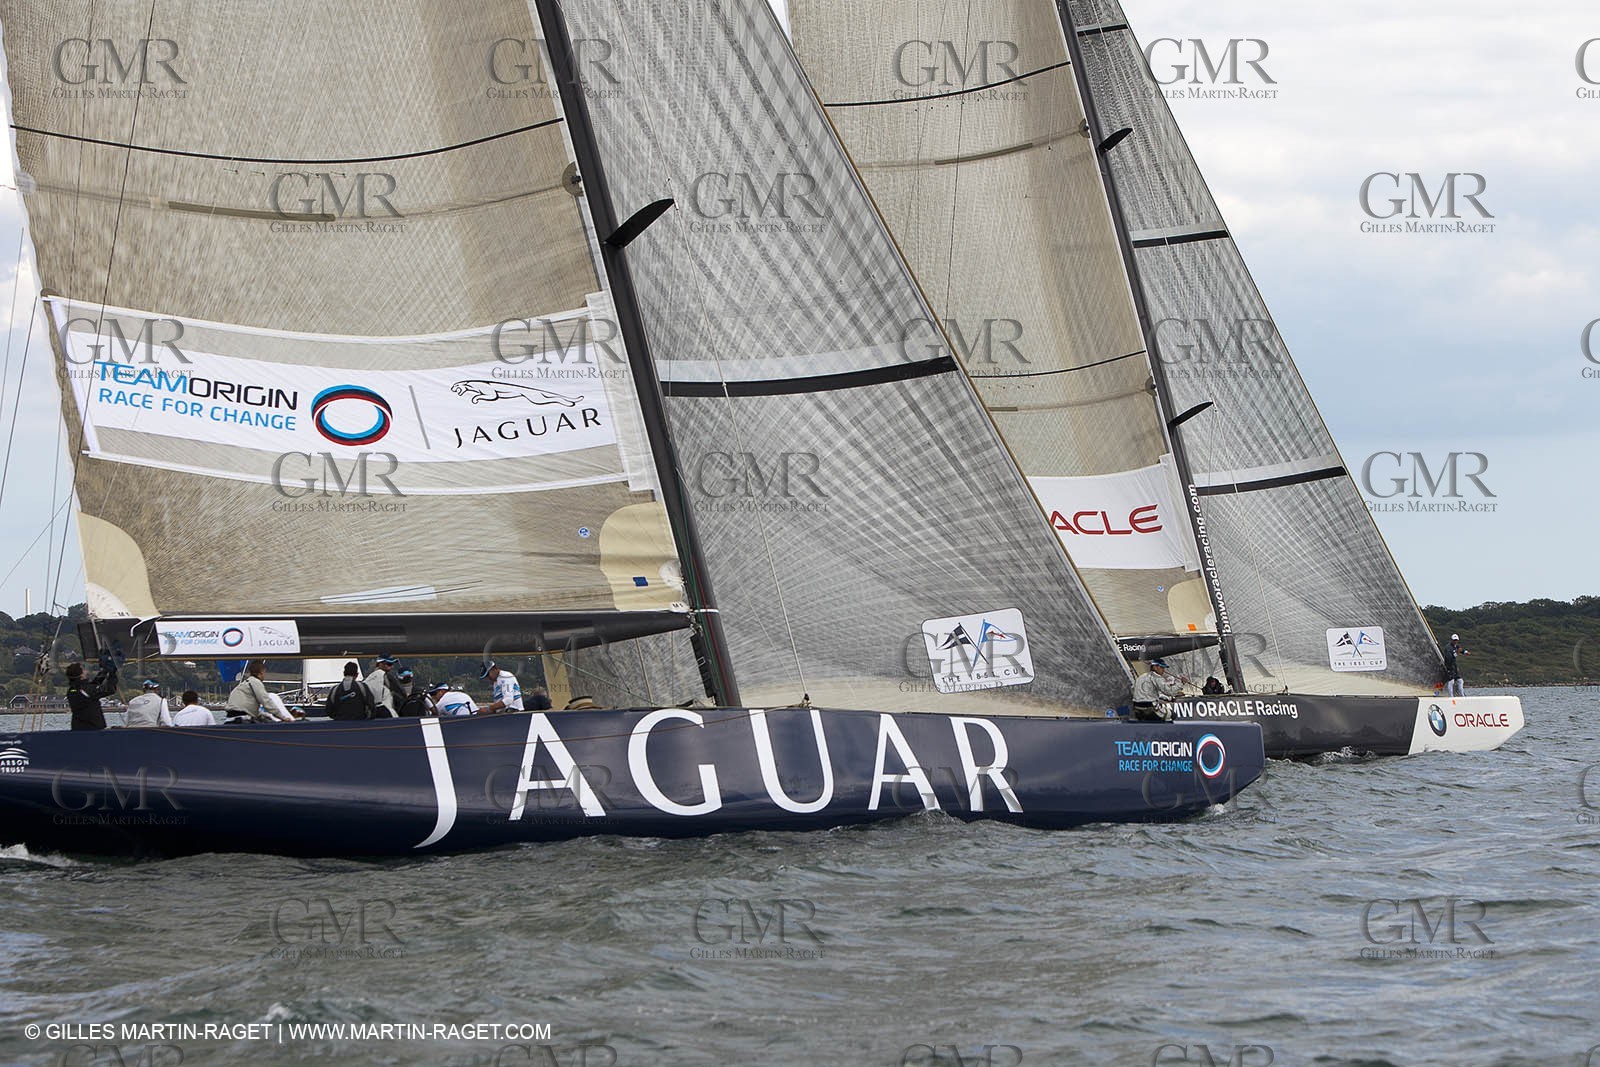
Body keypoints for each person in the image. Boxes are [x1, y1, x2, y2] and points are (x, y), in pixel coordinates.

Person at [225, 660, 292, 723]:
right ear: (261, 672)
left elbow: (247, 707)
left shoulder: (244, 684)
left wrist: (264, 715)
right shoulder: (256, 682)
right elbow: (266, 702)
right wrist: (282, 717)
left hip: (230, 717)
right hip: (242, 718)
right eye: (264, 673)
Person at [65, 659, 118, 731]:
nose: (86, 671)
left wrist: (104, 671)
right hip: (92, 728)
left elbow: (94, 685)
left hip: (78, 728)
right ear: (81, 675)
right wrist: (112, 674)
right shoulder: (85, 690)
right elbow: (109, 689)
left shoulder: (72, 690)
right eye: (83, 670)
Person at [1442, 633, 1470, 697]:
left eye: (1456, 640)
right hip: (1449, 666)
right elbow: (1449, 658)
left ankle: (1462, 696)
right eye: (1454, 640)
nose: (1455, 641)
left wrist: (1465, 652)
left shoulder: (1456, 646)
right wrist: (1457, 653)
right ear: (1451, 640)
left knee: (1460, 680)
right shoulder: (1448, 648)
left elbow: (1460, 650)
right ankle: (1451, 696)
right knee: (1451, 681)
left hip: (1454, 666)